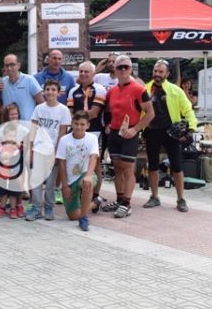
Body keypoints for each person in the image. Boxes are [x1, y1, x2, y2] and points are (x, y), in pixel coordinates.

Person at [101, 55, 155, 218]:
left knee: (127, 169)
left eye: (126, 67)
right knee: (116, 167)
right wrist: (108, 125)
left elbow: (151, 113)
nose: (123, 70)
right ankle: (119, 200)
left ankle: (127, 203)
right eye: (120, 67)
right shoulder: (112, 91)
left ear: (131, 69)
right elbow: (109, 111)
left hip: (130, 133)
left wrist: (135, 129)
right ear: (115, 70)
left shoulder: (139, 89)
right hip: (115, 134)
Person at [142, 60, 195, 212]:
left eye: (161, 72)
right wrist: (138, 130)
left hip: (172, 132)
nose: (157, 74)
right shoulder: (145, 89)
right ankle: (154, 197)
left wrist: (191, 128)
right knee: (152, 165)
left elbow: (188, 109)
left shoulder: (175, 90)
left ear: (167, 74)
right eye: (155, 71)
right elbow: (139, 112)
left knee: (177, 166)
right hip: (151, 131)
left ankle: (181, 199)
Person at [26, 80, 72, 221]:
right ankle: (35, 207)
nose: (50, 92)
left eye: (53, 89)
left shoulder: (63, 110)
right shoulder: (39, 108)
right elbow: (33, 129)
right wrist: (31, 150)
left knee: (51, 182)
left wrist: (58, 154)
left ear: (59, 92)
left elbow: (62, 133)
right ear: (44, 91)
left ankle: (49, 207)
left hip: (52, 152)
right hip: (39, 149)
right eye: (47, 89)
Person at [66, 61, 107, 212]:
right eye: (81, 71)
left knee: (95, 165)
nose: (83, 74)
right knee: (76, 161)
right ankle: (78, 192)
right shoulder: (73, 91)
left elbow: (94, 112)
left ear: (93, 74)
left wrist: (78, 122)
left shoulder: (100, 89)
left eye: (86, 72)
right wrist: (77, 125)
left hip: (94, 131)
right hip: (76, 132)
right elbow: (69, 112)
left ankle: (95, 195)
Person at [56, 111, 99, 231]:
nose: (79, 127)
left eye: (82, 124)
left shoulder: (92, 138)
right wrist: (65, 186)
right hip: (70, 179)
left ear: (87, 125)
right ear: (71, 124)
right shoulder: (64, 140)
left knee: (87, 183)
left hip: (85, 173)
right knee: (72, 216)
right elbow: (61, 163)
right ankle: (94, 203)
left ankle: (84, 217)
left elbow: (93, 157)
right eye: (76, 123)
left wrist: (89, 175)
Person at [0, 104, 28, 219]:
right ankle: (3, 206)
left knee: (18, 183)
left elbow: (26, 144)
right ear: (7, 115)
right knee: (4, 185)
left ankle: (18, 205)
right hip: (5, 161)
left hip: (18, 159)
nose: (14, 116)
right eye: (11, 114)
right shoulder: (2, 129)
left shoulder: (23, 129)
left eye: (16, 113)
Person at [0, 54, 44, 122]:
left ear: (19, 65)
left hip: (27, 127)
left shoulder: (30, 80)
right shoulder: (2, 82)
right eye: (6, 65)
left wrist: (35, 124)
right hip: (9, 128)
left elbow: (41, 104)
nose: (9, 68)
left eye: (12, 64)